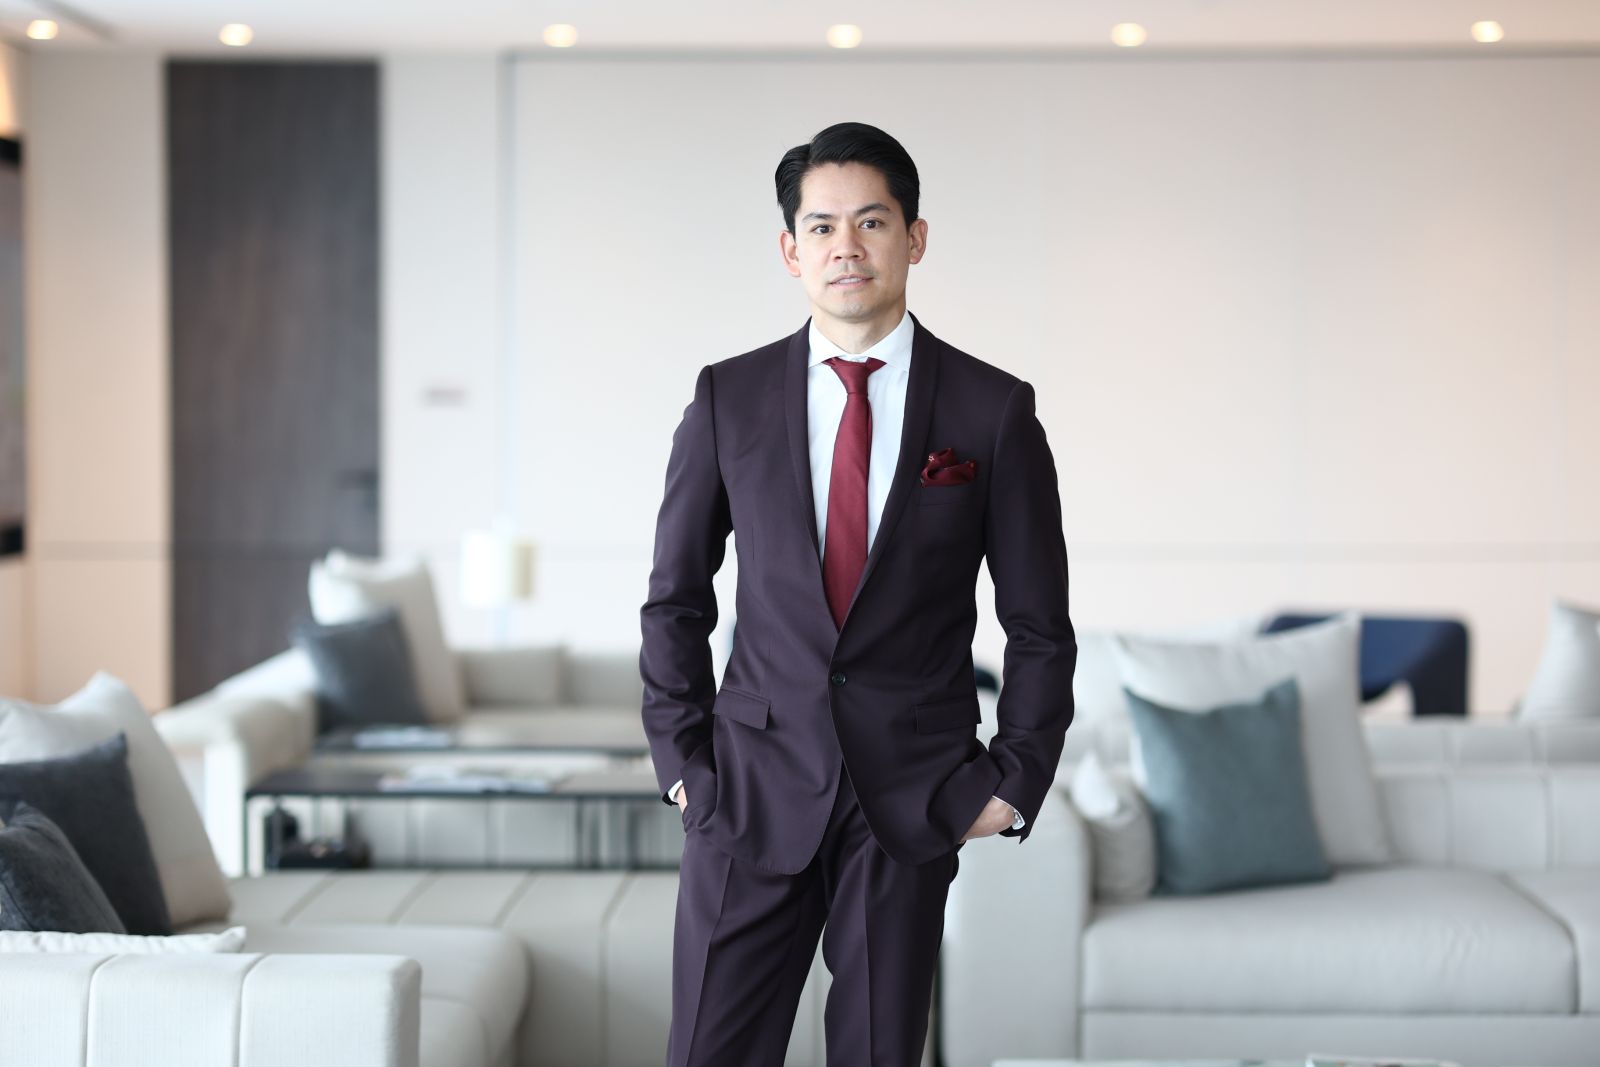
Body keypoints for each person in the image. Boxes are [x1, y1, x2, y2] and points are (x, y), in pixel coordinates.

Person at [639, 120, 1076, 1067]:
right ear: (790, 249)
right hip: (746, 791)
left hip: (910, 799)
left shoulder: (992, 409)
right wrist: (683, 763)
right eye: (823, 226)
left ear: (914, 238)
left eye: (872, 222)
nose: (847, 246)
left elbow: (1039, 624)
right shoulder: (726, 398)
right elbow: (675, 598)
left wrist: (1014, 780)